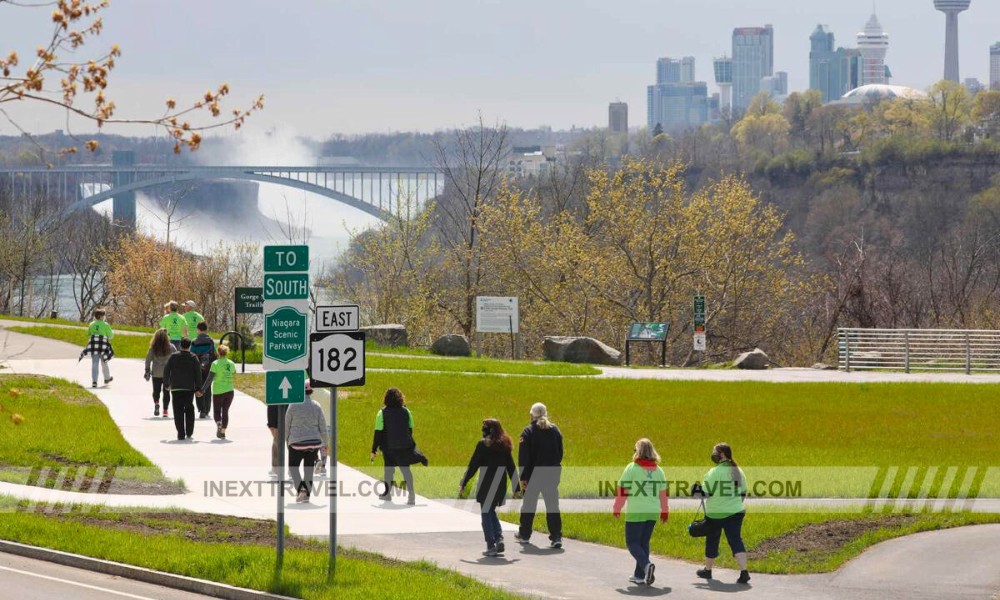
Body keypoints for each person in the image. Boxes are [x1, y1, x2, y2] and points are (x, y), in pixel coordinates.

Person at [459, 418, 520, 557]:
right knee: (490, 511)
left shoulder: (482, 445)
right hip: (500, 484)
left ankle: (491, 544)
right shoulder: (505, 445)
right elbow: (511, 467)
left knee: (486, 514)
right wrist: (516, 488)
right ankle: (499, 537)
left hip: (486, 484)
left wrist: (464, 482)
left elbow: (473, 465)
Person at [612, 438, 668, 587]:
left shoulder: (632, 468)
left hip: (637, 511)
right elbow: (663, 493)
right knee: (643, 543)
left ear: (638, 451)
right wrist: (665, 511)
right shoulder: (659, 470)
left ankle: (646, 565)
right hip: (653, 512)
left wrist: (617, 507)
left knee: (632, 543)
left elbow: (622, 490)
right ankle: (640, 575)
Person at [693, 442, 750, 585]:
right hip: (736, 512)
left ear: (722, 454)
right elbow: (743, 492)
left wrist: (695, 490)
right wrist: (734, 504)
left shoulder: (714, 472)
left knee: (712, 540)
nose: (713, 454)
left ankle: (708, 570)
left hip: (716, 514)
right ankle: (744, 572)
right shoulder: (738, 471)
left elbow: (706, 492)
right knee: (736, 541)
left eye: (715, 451)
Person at [515, 402, 564, 549]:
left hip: (533, 475)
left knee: (529, 504)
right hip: (552, 473)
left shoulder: (528, 432)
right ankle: (556, 536)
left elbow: (523, 458)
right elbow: (560, 453)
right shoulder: (555, 430)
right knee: (552, 505)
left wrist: (523, 477)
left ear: (532, 415)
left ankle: (524, 534)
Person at [370, 387, 426, 505]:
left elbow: (378, 433)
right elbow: (410, 429)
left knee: (389, 471)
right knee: (406, 471)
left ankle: (387, 494)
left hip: (388, 448)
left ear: (386, 399)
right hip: (404, 447)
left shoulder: (382, 413)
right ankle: (411, 496)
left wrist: (374, 449)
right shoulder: (406, 411)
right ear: (400, 398)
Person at [285, 380, 326, 503]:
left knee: (293, 468)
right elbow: (322, 426)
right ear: (311, 392)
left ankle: (301, 490)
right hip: (313, 443)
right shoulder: (317, 406)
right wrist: (325, 443)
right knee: (308, 470)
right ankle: (307, 495)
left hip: (296, 442)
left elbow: (287, 425)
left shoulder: (292, 405)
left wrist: (287, 441)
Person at [162, 337, 203, 440]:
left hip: (176, 388)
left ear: (180, 345)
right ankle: (189, 431)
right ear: (189, 346)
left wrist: (167, 384)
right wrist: (198, 388)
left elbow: (166, 370)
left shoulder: (173, 357)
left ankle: (181, 433)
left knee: (177, 410)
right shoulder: (193, 357)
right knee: (189, 408)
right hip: (189, 388)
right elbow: (198, 374)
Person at [200, 344, 236, 439]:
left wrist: (202, 390)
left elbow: (209, 379)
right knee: (225, 411)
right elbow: (233, 372)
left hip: (218, 391)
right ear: (226, 352)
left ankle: (219, 423)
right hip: (229, 390)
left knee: (217, 411)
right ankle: (223, 431)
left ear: (218, 353)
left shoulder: (215, 363)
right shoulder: (231, 363)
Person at [143, 328, 177, 418]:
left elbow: (148, 360)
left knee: (156, 391)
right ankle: (165, 411)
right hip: (167, 373)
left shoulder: (153, 348)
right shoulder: (171, 347)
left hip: (156, 373)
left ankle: (156, 403)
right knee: (166, 392)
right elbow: (176, 359)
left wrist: (147, 370)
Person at [79, 308, 114, 388]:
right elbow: (111, 335)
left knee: (95, 363)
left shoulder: (92, 324)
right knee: (104, 361)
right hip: (103, 345)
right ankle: (107, 378)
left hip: (94, 345)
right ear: (101, 317)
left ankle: (94, 381)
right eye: (104, 315)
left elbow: (89, 333)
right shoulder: (105, 325)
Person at [190, 321, 218, 419]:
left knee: (198, 386)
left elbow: (191, 354)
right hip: (208, 367)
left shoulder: (194, 342)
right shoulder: (210, 341)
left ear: (198, 330)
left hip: (197, 368)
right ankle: (207, 409)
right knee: (207, 387)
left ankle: (201, 409)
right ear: (206, 330)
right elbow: (214, 353)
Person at [267, 403, 288, 477]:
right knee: (277, 444)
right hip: (277, 422)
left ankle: (291, 471)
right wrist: (271, 424)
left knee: (277, 444)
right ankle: (275, 468)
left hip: (287, 421)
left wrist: (271, 424)